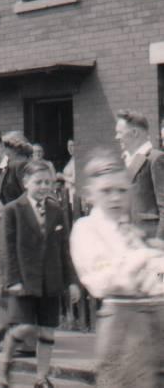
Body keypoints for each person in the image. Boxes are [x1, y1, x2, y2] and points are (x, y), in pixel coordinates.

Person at [71, 148, 164, 387]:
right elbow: (104, 281)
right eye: (106, 191)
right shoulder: (86, 229)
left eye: (122, 191)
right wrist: (146, 257)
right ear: (90, 194)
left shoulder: (132, 231)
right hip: (123, 324)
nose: (115, 198)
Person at [0, 160, 80, 388]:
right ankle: (5, 359)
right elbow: (6, 249)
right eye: (38, 182)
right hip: (22, 280)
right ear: (25, 183)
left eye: (48, 182)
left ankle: (41, 378)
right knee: (23, 327)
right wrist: (12, 280)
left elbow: (64, 249)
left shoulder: (56, 210)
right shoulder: (13, 210)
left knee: (48, 331)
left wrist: (71, 282)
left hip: (50, 280)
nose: (43, 186)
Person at [114, 109, 164, 240]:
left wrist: (159, 243)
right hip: (129, 240)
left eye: (119, 132)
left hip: (150, 240)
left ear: (134, 132)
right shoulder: (125, 161)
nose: (117, 137)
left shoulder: (155, 159)